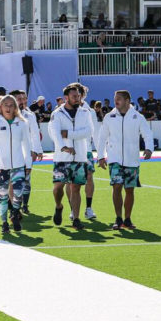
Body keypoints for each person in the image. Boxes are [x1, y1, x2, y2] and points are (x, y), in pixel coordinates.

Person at [95, 89, 154, 230]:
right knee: (116, 187)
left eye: (119, 98)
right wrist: (101, 156)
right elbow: (102, 137)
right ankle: (118, 218)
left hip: (132, 159)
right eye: (115, 98)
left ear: (127, 101)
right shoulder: (109, 117)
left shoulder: (137, 117)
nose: (116, 101)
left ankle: (127, 219)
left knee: (129, 190)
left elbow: (147, 134)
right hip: (114, 158)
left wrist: (149, 148)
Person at [0, 95, 36, 237]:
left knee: (18, 192)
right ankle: (4, 222)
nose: (8, 108)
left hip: (19, 164)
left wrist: (28, 163)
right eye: (5, 105)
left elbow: (27, 144)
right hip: (1, 165)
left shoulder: (22, 123)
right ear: (0, 107)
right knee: (2, 196)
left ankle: (14, 212)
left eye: (11, 105)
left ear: (15, 107)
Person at [48, 83, 95, 229]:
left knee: (76, 188)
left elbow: (88, 131)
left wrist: (69, 133)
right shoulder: (57, 113)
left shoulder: (85, 112)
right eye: (74, 96)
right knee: (58, 188)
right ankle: (59, 206)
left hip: (80, 157)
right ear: (66, 97)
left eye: (79, 96)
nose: (77, 98)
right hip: (61, 158)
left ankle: (76, 218)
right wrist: (63, 146)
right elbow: (54, 133)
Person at [13, 90, 44, 213]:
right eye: (19, 99)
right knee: (13, 181)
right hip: (11, 153)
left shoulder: (30, 115)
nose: (23, 101)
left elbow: (35, 134)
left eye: (24, 98)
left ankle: (25, 204)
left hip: (27, 153)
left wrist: (37, 150)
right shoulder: (6, 114)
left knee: (26, 179)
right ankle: (14, 206)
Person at [76, 84, 98, 220]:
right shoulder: (62, 110)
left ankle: (88, 208)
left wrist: (101, 153)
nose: (77, 96)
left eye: (79, 94)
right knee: (72, 182)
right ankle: (74, 209)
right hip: (71, 152)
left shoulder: (90, 111)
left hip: (87, 150)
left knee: (89, 176)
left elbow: (95, 132)